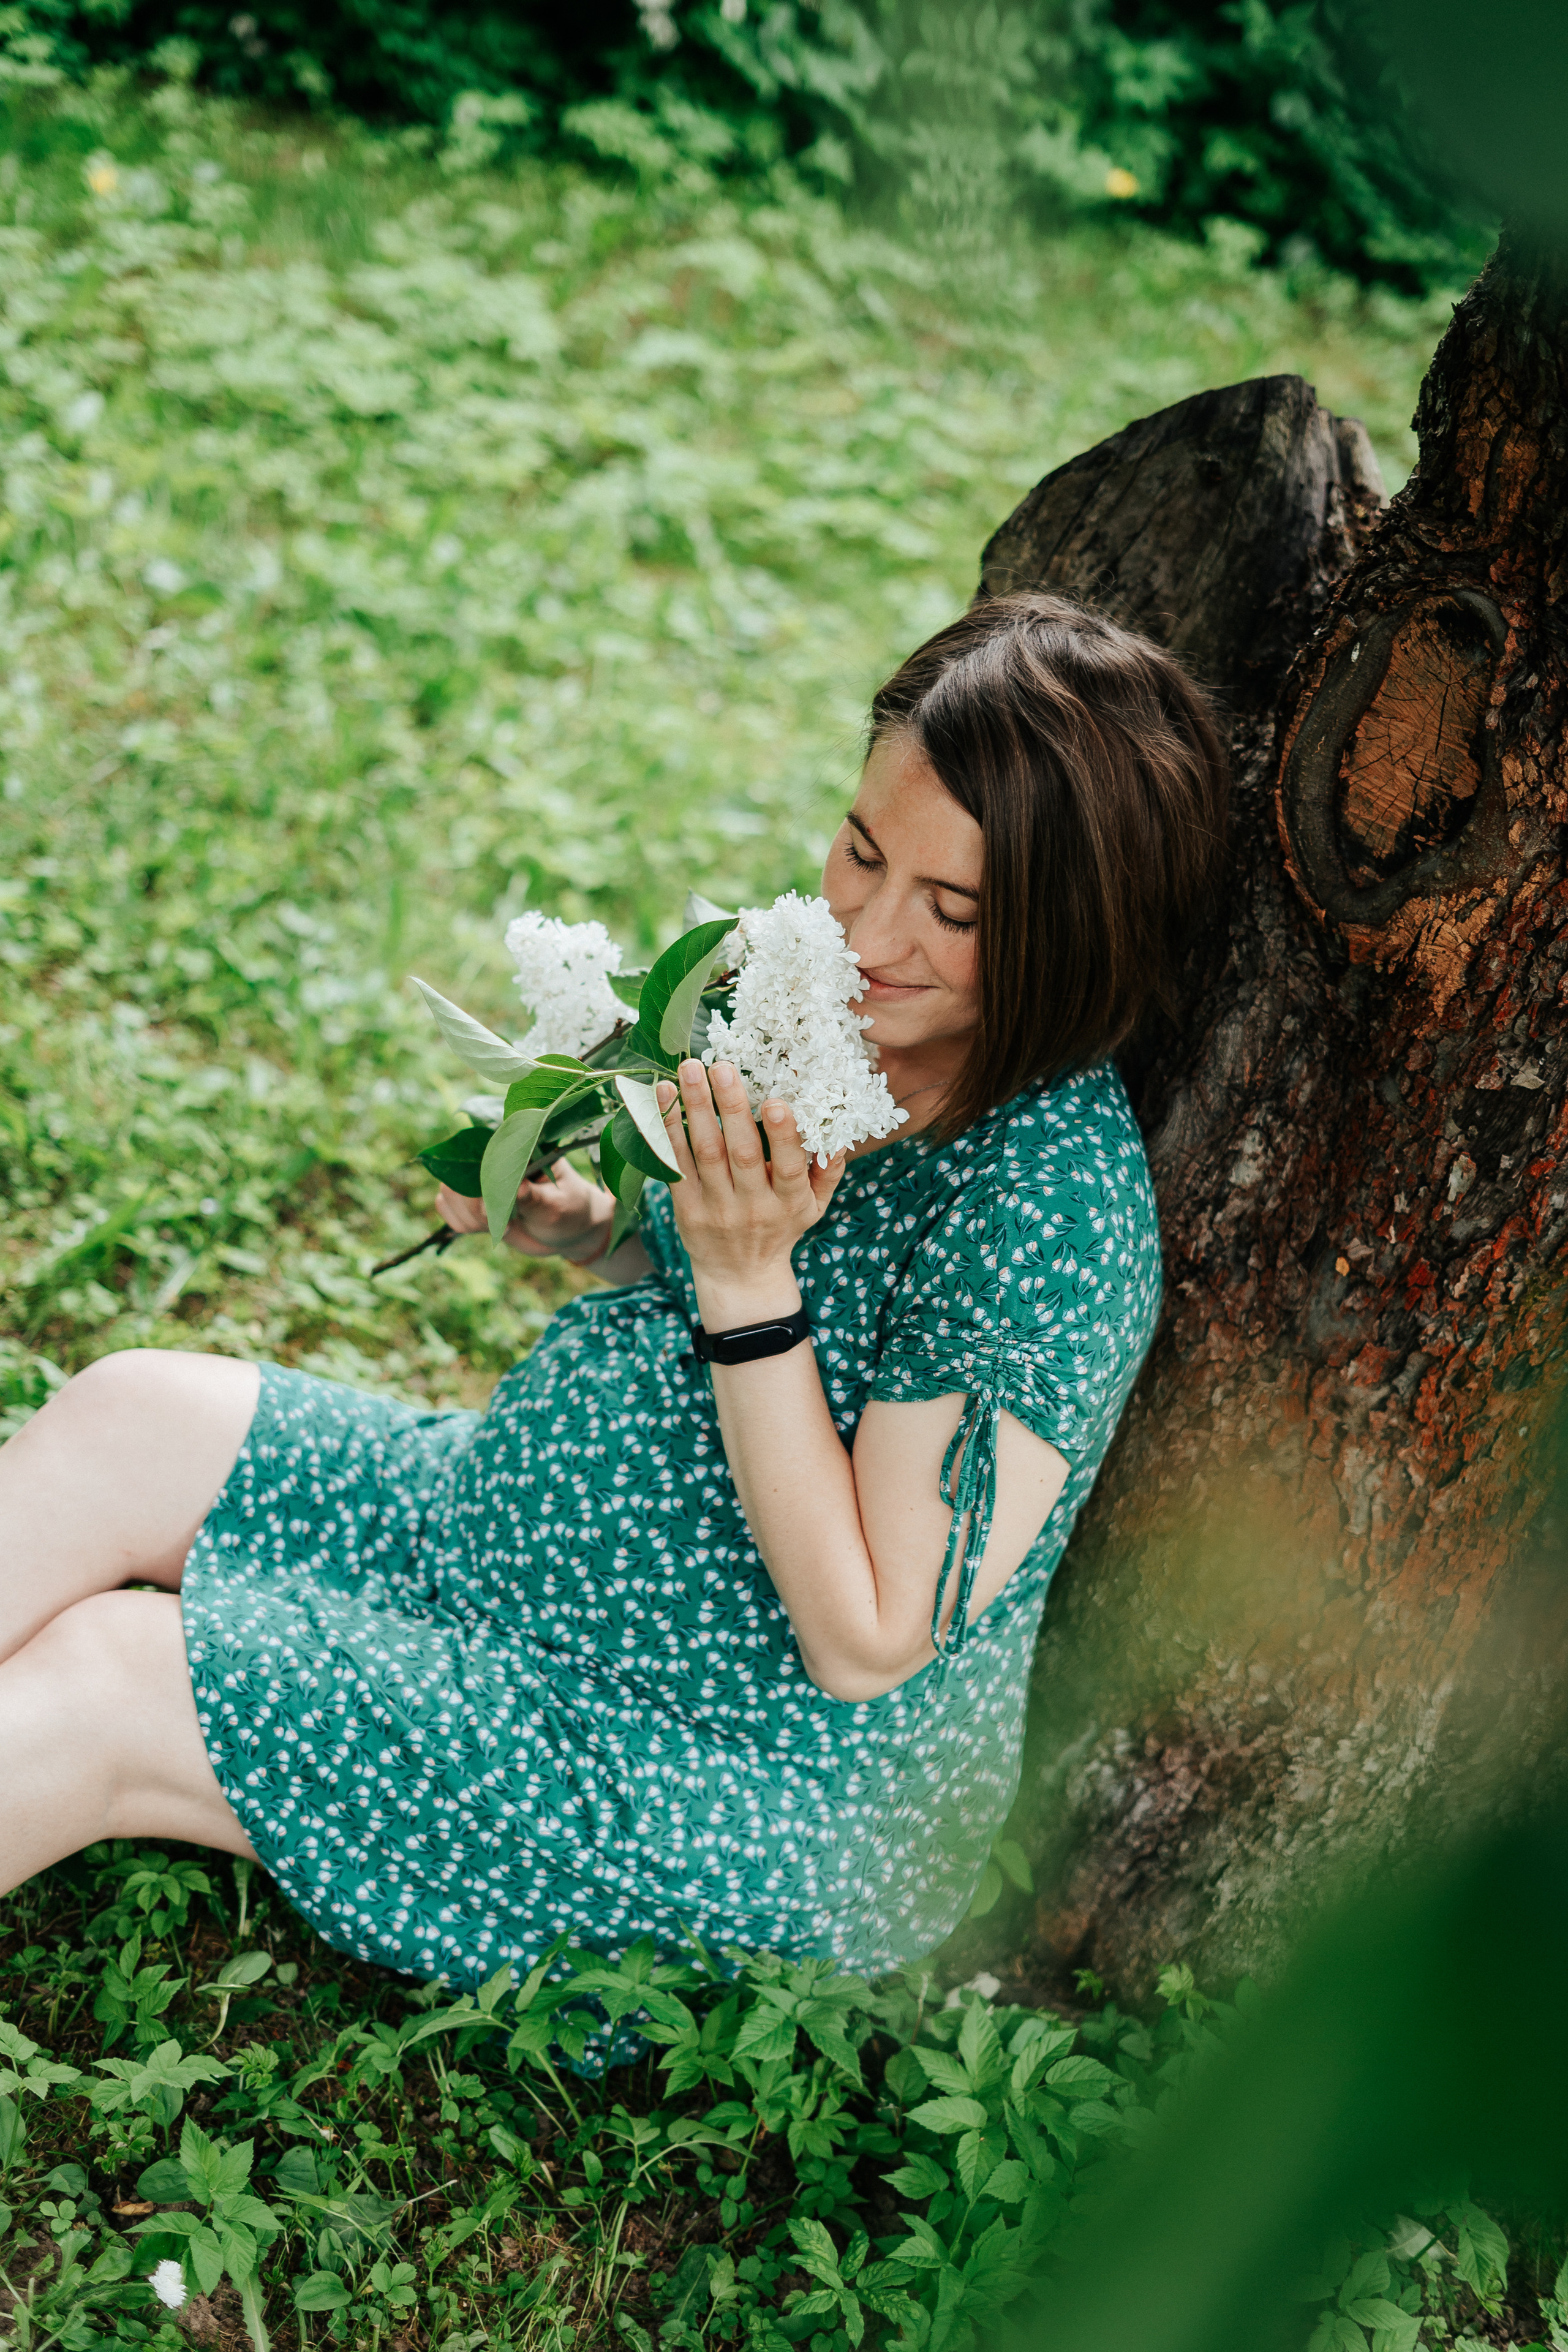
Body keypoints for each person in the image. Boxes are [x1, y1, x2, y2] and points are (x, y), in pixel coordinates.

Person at [0, 593, 1226, 1989]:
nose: (871, 934)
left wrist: (746, 1274)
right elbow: (752, 1299)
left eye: (952, 909)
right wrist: (600, 1234)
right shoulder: (835, 1008)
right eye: (859, 850)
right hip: (520, 1553)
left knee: (111, 1678)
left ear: (1074, 937)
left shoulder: (1045, 1223)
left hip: (720, 1769)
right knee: (131, 1413)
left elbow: (871, 1634)